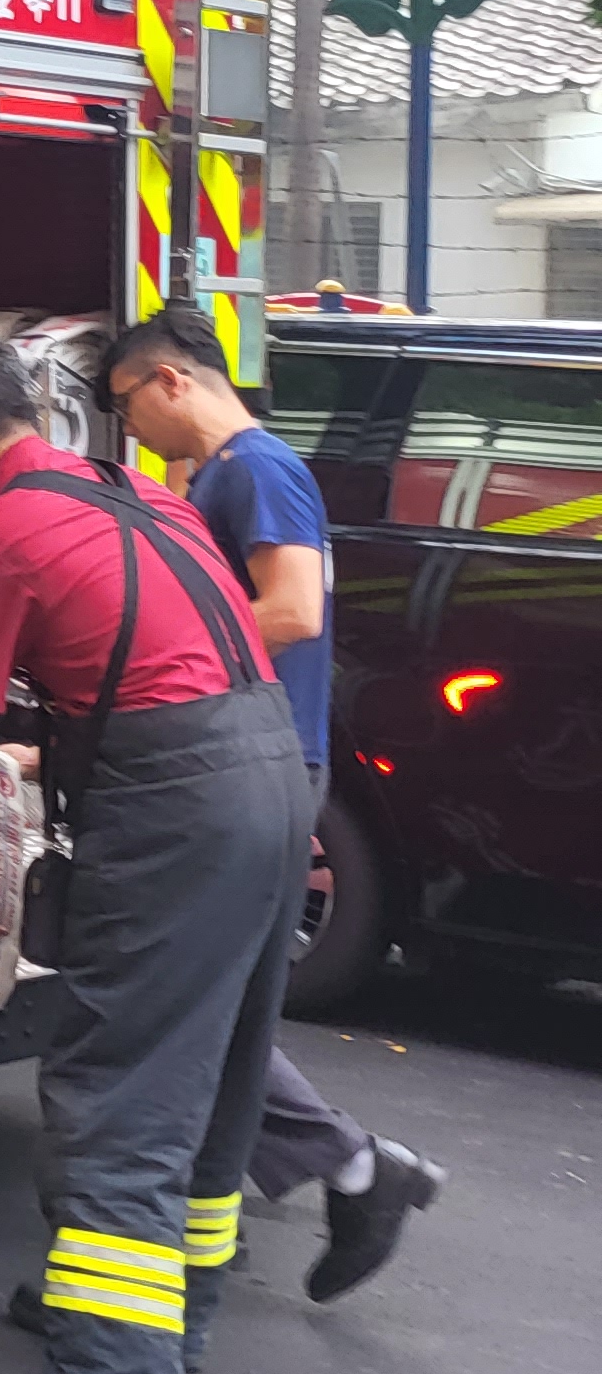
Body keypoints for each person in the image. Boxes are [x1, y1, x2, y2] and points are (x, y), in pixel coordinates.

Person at [0, 329, 308, 1374]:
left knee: (120, 1086)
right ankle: (152, 1318)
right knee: (217, 1067)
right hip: (273, 781)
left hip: (176, 806)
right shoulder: (145, 495)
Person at [97, 307, 443, 1297]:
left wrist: (153, 665)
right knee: (226, 1004)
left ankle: (351, 1167)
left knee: (199, 1004)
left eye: (127, 406)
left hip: (259, 767)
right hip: (254, 761)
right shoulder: (221, 476)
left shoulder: (255, 469)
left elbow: (290, 609)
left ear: (169, 381)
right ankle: (348, 1172)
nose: (132, 432)